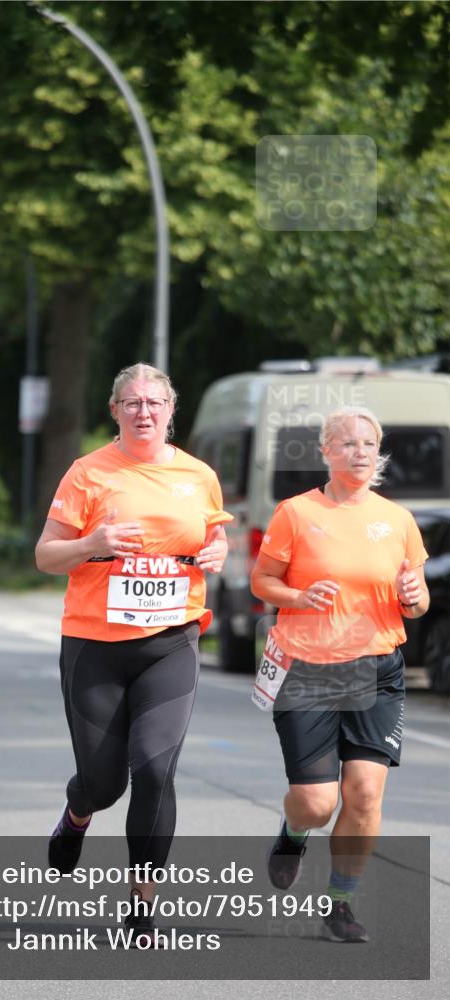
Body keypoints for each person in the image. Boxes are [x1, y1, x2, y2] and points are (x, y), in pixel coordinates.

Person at [35, 362, 232, 943]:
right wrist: (91, 543)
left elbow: (212, 533)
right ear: (114, 410)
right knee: (104, 783)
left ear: (172, 410)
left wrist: (217, 551)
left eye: (154, 402)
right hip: (94, 645)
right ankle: (78, 811)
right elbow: (46, 555)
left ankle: (141, 903)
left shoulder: (199, 475)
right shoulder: (88, 473)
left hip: (171, 642)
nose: (143, 411)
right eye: (131, 402)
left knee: (153, 770)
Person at [251, 405, 429, 943]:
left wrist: (415, 598)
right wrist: (298, 595)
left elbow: (414, 598)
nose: (359, 452)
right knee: (317, 801)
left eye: (368, 444)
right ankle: (292, 833)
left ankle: (340, 904)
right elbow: (262, 582)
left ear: (379, 454)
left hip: (377, 666)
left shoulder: (397, 520)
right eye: (347, 443)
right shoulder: (296, 513)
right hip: (307, 667)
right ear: (326, 451)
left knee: (365, 795)